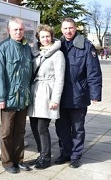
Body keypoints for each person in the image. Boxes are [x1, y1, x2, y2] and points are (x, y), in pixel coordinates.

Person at [55, 18, 102, 168]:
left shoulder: (86, 46)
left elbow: (94, 72)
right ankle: (65, 153)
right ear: (61, 30)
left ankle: (75, 156)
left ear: (76, 29)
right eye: (65, 28)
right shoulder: (57, 45)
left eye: (71, 28)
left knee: (77, 128)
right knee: (61, 127)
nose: (68, 31)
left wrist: (95, 94)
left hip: (78, 95)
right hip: (60, 95)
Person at [0, 17, 32, 174]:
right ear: (8, 31)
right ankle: (7, 162)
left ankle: (18, 159)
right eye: (15, 29)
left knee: (20, 131)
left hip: (23, 98)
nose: (18, 32)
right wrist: (0, 97)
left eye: (21, 29)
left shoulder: (27, 48)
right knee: (7, 132)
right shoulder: (3, 48)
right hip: (9, 98)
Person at [27, 24, 65, 169]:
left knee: (42, 127)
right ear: (38, 37)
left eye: (48, 36)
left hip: (47, 93)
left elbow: (60, 78)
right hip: (34, 92)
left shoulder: (58, 54)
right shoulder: (34, 52)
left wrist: (55, 99)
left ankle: (46, 157)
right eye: (42, 36)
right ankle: (41, 154)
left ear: (52, 37)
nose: (45, 39)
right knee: (34, 126)